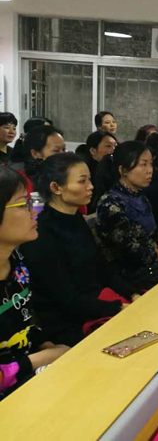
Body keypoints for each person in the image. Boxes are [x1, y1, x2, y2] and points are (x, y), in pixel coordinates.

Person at [21, 153, 139, 347]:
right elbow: (66, 300)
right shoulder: (41, 233)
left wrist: (132, 294)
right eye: (82, 181)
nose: (90, 186)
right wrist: (118, 307)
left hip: (96, 304)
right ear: (56, 188)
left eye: (90, 180)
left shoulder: (74, 218)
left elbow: (102, 267)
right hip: (69, 322)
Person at [0, 167, 69, 400]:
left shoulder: (16, 260)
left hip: (30, 382)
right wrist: (38, 359)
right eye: (23, 205)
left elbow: (25, 323)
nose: (34, 212)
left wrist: (46, 345)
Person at [95, 142, 158, 291]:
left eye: (150, 164)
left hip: (156, 272)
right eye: (143, 164)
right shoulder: (110, 204)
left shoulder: (141, 197)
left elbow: (157, 237)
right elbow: (130, 254)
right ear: (123, 170)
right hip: (131, 284)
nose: (150, 170)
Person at [9, 125, 66, 194]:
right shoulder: (16, 178)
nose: (63, 155)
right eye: (56, 150)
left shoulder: (64, 172)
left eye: (64, 149)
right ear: (35, 153)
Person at [82, 131, 118, 214]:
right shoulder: (86, 172)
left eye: (116, 146)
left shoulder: (115, 170)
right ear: (93, 151)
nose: (114, 150)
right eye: (108, 146)